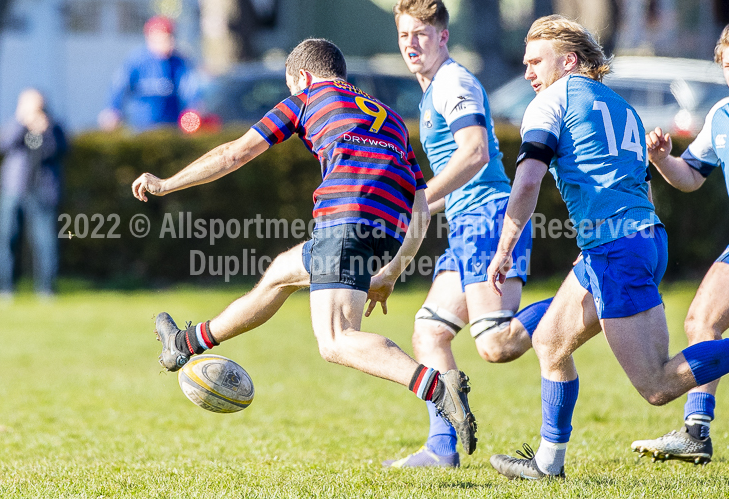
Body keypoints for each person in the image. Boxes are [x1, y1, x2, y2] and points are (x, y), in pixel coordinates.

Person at [131, 38, 477, 454]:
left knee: (336, 340)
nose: (292, 94)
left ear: (304, 76)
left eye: (291, 86)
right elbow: (420, 206)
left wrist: (166, 183)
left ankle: (438, 387)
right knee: (279, 274)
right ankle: (185, 344)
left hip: (344, 219)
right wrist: (392, 271)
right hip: (384, 229)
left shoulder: (307, 97)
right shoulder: (390, 118)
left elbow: (233, 155)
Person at [485, 15, 729, 480]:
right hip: (630, 240)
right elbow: (638, 185)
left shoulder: (551, 101)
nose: (528, 71)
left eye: (536, 62)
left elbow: (528, 179)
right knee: (551, 342)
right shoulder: (619, 105)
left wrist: (506, 245)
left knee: (656, 385)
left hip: (616, 248)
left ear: (568, 60)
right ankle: (548, 465)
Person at [380, 0, 552, 468]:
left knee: (494, 344)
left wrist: (420, 199)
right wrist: (402, 216)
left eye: (421, 33)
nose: (411, 44)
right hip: (466, 224)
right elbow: (446, 184)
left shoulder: (453, 82)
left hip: (489, 219)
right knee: (429, 332)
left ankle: (582, 300)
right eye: (404, 36)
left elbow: (474, 154)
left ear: (443, 37)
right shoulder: (432, 87)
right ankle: (441, 449)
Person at [630, 14, 729, 465]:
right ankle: (695, 431)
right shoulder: (722, 115)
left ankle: (695, 431)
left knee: (702, 321)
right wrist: (663, 159)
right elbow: (691, 178)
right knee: (702, 323)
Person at [0, 88, 67, 299]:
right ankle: (5, 289)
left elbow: (57, 151)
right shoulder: (15, 124)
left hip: (42, 190)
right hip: (14, 188)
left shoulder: (53, 127)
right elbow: (2, 144)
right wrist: (22, 123)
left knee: (45, 242)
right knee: (6, 239)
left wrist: (45, 130)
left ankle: (46, 289)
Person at [98, 16, 201, 131]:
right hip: (140, 128)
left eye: (168, 37)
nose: (166, 43)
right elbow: (119, 86)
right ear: (149, 38)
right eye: (161, 38)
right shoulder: (137, 60)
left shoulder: (179, 62)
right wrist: (113, 109)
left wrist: (193, 110)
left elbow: (190, 90)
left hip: (171, 129)